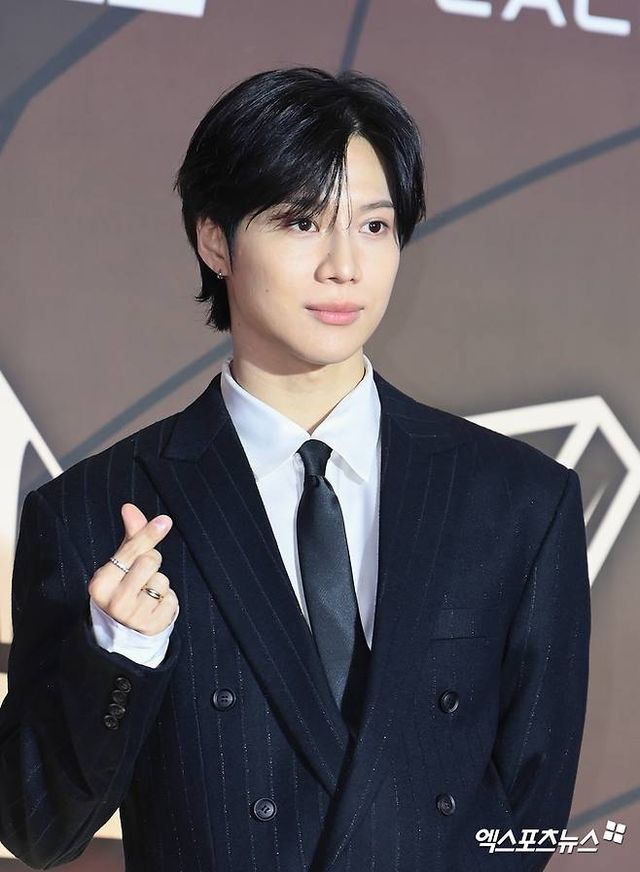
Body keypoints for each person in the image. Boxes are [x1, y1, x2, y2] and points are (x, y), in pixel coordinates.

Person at [0, 66, 590, 871]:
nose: (345, 265)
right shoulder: (94, 512)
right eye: (302, 221)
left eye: (374, 226)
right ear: (215, 240)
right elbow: (37, 829)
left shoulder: (519, 500)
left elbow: (530, 818)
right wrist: (119, 653)